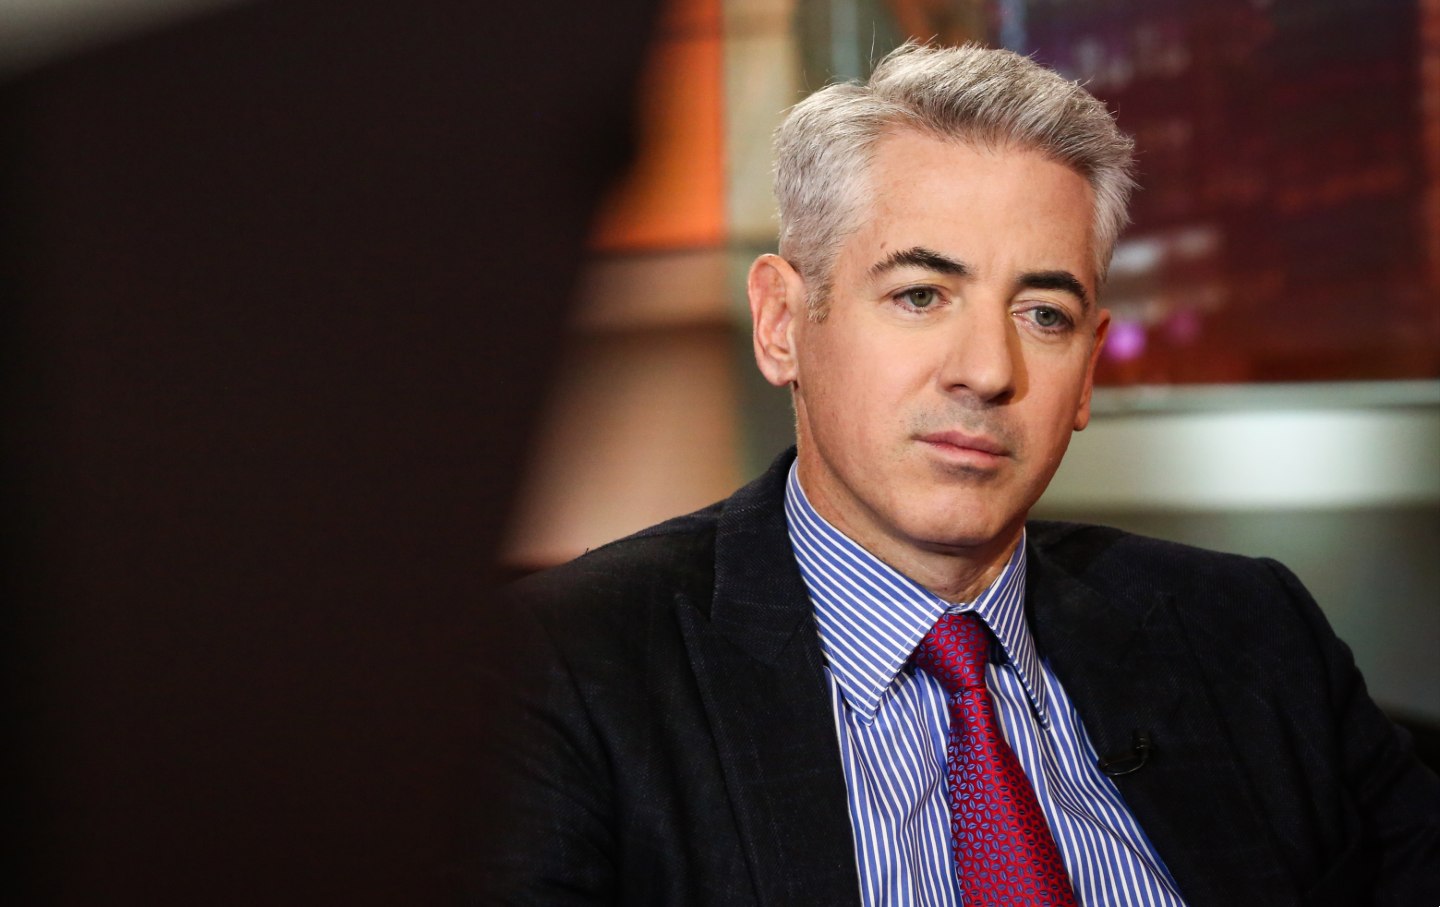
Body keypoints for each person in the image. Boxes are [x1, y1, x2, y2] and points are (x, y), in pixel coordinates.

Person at [476, 43, 1440, 906]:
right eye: (921, 294)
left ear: (1087, 371)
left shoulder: (1251, 636)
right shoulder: (565, 676)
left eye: (1045, 315)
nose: (987, 370)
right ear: (782, 323)